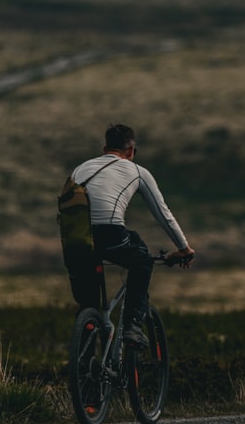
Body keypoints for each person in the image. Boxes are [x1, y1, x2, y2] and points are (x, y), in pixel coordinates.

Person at [66, 123, 195, 348]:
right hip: (109, 234)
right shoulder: (137, 171)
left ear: (105, 148)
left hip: (74, 239)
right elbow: (163, 214)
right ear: (132, 151)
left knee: (88, 305)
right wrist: (184, 248)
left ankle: (83, 364)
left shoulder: (81, 168)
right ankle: (132, 328)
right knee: (142, 261)